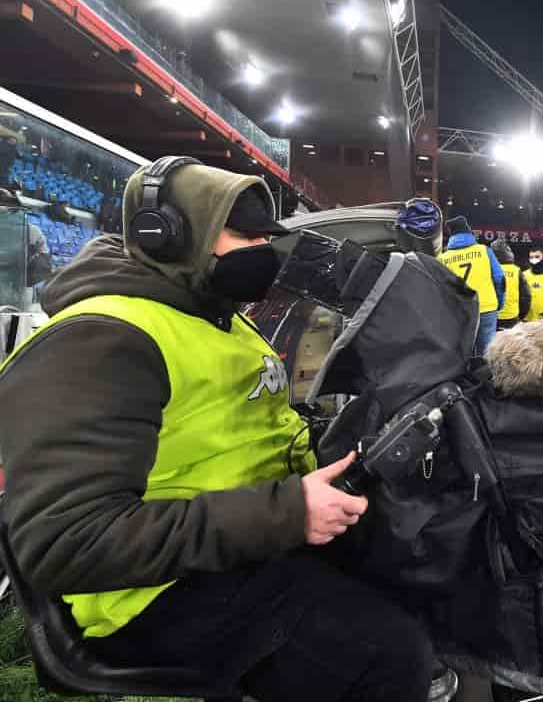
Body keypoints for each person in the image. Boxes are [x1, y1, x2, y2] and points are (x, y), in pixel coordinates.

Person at [0, 159, 437, 702]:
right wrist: (289, 512)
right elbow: (68, 543)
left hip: (246, 540)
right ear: (165, 237)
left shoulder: (216, 315)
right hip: (153, 595)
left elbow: (248, 430)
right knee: (390, 654)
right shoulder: (98, 340)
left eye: (266, 235)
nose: (262, 249)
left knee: (422, 569)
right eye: (244, 234)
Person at [438, 215, 505, 356]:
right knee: (486, 355)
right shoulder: (484, 251)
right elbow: (499, 279)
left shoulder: (443, 258)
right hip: (486, 307)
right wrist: (499, 302)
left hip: (459, 311)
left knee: (462, 354)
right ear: (470, 233)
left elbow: (439, 289)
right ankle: (485, 378)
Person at [491, 238, 530, 331]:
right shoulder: (516, 271)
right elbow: (526, 296)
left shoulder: (488, 269)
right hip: (512, 317)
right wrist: (521, 316)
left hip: (493, 317)